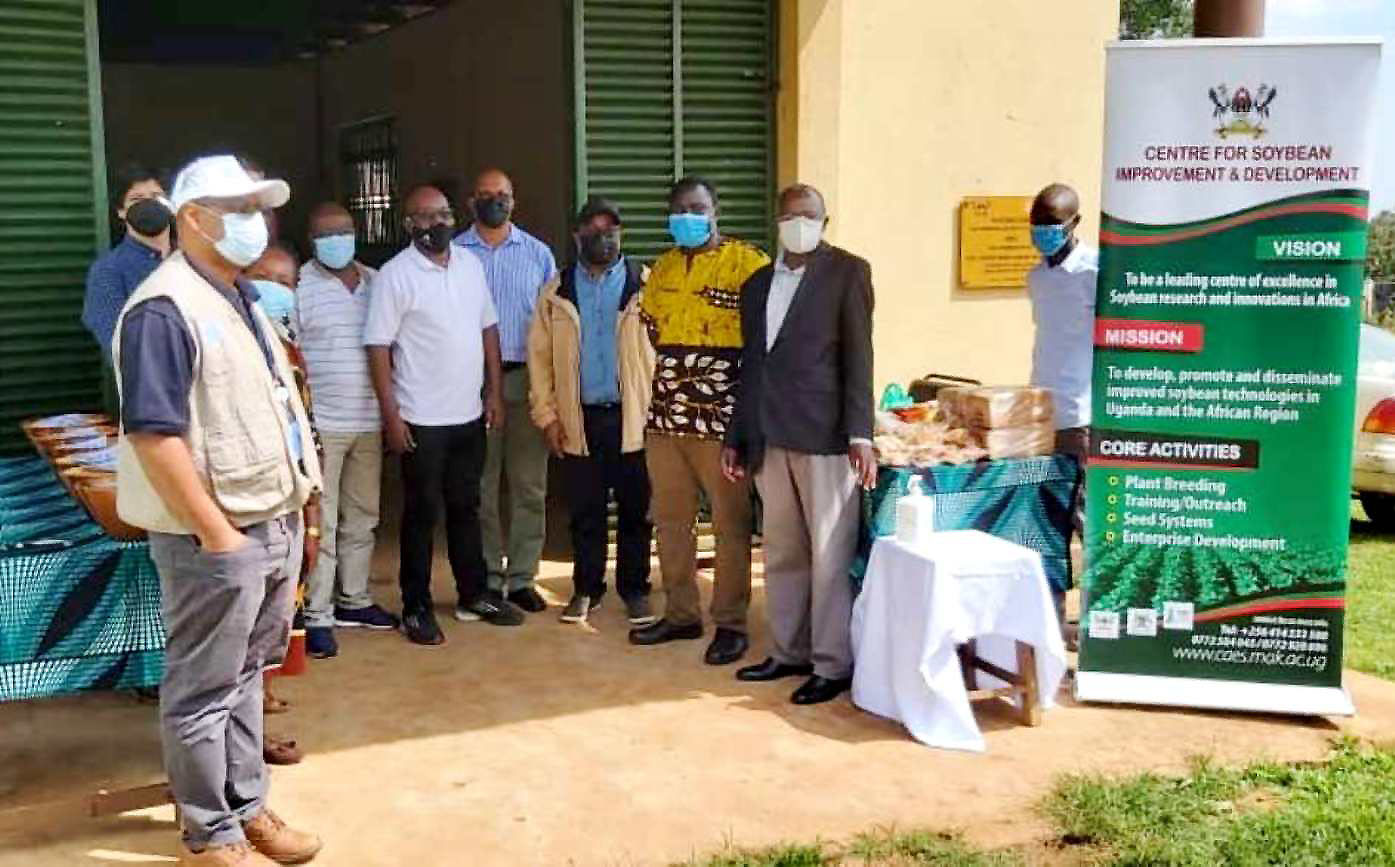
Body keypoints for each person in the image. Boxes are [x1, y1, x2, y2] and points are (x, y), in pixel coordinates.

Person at [113, 155, 322, 865]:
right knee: (203, 688)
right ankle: (209, 834)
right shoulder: (163, 309)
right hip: (217, 537)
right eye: (236, 208)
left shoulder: (240, 295)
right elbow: (154, 434)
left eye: (257, 207)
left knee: (245, 679)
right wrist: (218, 533)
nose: (253, 221)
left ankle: (246, 807)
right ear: (192, 219)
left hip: (268, 519)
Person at [722, 184, 876, 705]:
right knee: (783, 550)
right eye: (790, 216)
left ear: (825, 221)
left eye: (808, 216)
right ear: (777, 221)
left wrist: (861, 434)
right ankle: (788, 651)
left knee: (830, 553)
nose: (799, 224)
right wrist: (738, 436)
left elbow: (859, 358)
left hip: (826, 438)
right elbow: (752, 366)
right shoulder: (758, 282)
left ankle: (832, 663)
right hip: (770, 435)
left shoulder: (847, 273)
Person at [365, 185, 515, 647]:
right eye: (425, 217)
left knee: (465, 507)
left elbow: (488, 328)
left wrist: (494, 390)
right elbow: (378, 346)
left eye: (443, 214)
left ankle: (474, 593)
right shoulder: (395, 275)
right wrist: (392, 416)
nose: (437, 223)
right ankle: (416, 606)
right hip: (420, 417)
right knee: (420, 514)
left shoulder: (470, 265)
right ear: (409, 225)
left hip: (468, 413)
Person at [630, 176, 770, 666]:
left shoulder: (748, 266)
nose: (688, 217)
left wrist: (747, 424)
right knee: (670, 521)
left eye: (698, 208)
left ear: (716, 210)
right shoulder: (662, 270)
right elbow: (651, 337)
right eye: (680, 210)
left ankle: (730, 623)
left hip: (724, 420)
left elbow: (762, 346)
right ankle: (681, 614)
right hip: (666, 417)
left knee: (730, 523)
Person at [528, 196, 656, 626]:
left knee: (637, 510)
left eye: (610, 231)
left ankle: (636, 590)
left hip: (635, 417)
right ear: (577, 236)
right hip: (579, 418)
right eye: (593, 230)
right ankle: (586, 589)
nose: (602, 238)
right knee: (586, 511)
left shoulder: (647, 286)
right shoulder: (556, 292)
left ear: (621, 235)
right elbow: (540, 360)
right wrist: (547, 416)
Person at [295, 202, 397, 659]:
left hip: (369, 420)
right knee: (324, 522)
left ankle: (354, 600)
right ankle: (317, 612)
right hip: (324, 425)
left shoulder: (378, 283)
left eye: (345, 231)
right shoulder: (297, 286)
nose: (337, 239)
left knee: (363, 516)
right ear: (311, 242)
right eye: (326, 233)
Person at [454, 169, 558, 614]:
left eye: (502, 195)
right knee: (480, 484)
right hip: (470, 382)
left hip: (525, 378)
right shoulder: (454, 253)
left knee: (528, 485)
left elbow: (556, 322)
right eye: (485, 195)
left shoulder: (538, 255)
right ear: (470, 202)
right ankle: (487, 577)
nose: (494, 201)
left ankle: (521, 578)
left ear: (514, 202)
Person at [245, 244, 318, 769]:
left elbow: (304, 431)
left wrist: (313, 509)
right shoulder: (246, 345)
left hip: (293, 499)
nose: (275, 288)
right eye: (263, 278)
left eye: (284, 281)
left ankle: (263, 702)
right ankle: (252, 730)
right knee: (248, 629)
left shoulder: (291, 348)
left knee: (280, 609)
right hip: (256, 505)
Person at [1026, 182, 1098, 626]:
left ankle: (1095, 625)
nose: (1043, 233)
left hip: (1082, 418)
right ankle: (1051, 621)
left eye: (1051, 225)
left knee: (1089, 526)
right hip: (1041, 419)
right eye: (1036, 226)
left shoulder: (1097, 271)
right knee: (1046, 526)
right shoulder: (1037, 277)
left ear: (1075, 223)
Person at [83, 164, 173, 358]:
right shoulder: (108, 271)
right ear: (121, 211)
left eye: (157, 196)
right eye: (136, 199)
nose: (149, 205)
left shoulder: (194, 260)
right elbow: (119, 345)